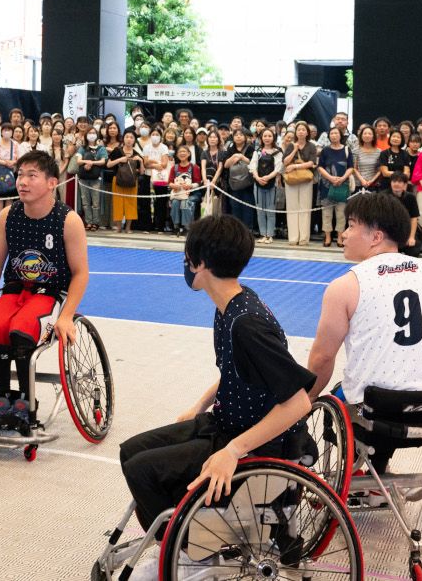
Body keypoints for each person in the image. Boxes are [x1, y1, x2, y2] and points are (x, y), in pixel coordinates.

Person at [118, 214, 314, 565]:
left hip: (256, 440)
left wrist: (233, 451)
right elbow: (237, 371)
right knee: (130, 452)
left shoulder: (248, 326)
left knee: (142, 470)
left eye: (186, 255)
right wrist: (199, 405)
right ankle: (182, 538)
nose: (184, 262)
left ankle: (185, 553)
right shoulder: (233, 302)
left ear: (200, 263)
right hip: (228, 420)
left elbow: (299, 403)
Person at [304, 192, 422, 473]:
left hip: (378, 408)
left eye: (351, 225)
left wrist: (308, 398)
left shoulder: (345, 286)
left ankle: (357, 473)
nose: (344, 234)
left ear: (376, 237)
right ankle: (379, 468)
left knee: (339, 394)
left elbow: (323, 357)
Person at [0, 150, 89, 434]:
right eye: (20, 174)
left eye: (32, 175)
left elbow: (81, 273)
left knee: (21, 329)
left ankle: (25, 402)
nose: (22, 181)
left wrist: (67, 316)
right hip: (15, 289)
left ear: (51, 182)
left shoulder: (68, 220)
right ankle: (2, 399)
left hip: (50, 292)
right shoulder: (7, 216)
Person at [282, 122, 319, 246]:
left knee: (305, 207)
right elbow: (285, 162)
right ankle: (293, 237)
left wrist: (295, 166)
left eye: (303, 129)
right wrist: (294, 150)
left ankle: (304, 237)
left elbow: (311, 163)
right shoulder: (290, 145)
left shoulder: (311, 146)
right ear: (295, 132)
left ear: (307, 132)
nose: (301, 132)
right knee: (292, 207)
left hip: (306, 178)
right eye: (299, 130)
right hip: (291, 179)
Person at [317, 126, 353, 247]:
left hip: (342, 185)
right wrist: (331, 178)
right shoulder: (325, 150)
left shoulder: (347, 149)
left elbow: (351, 167)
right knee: (326, 213)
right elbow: (320, 167)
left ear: (340, 136)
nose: (333, 135)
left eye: (336, 133)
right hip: (326, 186)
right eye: (331, 133)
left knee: (341, 214)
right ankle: (327, 237)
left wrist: (342, 179)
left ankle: (340, 238)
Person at [250, 127, 282, 244]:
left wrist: (268, 177)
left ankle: (270, 234)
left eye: (269, 136)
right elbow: (253, 166)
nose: (267, 138)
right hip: (258, 184)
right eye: (265, 136)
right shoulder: (257, 152)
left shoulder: (277, 152)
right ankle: (263, 234)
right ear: (261, 138)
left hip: (272, 184)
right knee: (260, 210)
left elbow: (278, 168)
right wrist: (258, 178)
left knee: (270, 210)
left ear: (273, 138)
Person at [108, 130, 144, 233]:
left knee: (131, 204)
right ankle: (119, 227)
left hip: (132, 181)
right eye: (127, 137)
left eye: (131, 137)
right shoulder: (117, 151)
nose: (129, 139)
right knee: (118, 203)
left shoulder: (137, 154)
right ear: (123, 138)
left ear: (134, 140)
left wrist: (141, 161)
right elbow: (108, 165)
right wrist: (120, 160)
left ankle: (128, 227)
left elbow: (141, 172)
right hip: (117, 180)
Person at [141, 126, 173, 234]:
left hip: (160, 177)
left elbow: (164, 164)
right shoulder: (146, 147)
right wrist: (155, 163)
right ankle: (147, 227)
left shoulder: (164, 147)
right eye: (153, 134)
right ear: (150, 136)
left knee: (160, 202)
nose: (155, 136)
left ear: (160, 136)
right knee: (146, 202)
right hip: (147, 176)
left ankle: (160, 227)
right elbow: (145, 163)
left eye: (157, 135)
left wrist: (151, 162)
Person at [168, 145, 202, 235]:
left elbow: (198, 183)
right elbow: (170, 183)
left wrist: (190, 185)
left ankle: (186, 227)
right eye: (180, 152)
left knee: (185, 203)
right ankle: (176, 226)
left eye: (184, 151)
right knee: (175, 203)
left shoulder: (194, 167)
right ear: (177, 155)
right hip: (178, 193)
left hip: (191, 194)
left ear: (189, 154)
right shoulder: (174, 168)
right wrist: (175, 186)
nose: (182, 153)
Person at [385, 173, 421, 256]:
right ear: (390, 183)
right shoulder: (383, 196)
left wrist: (411, 237)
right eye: (394, 181)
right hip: (388, 232)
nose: (396, 184)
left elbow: (414, 218)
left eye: (399, 182)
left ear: (405, 184)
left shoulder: (411, 198)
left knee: (414, 252)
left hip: (405, 231)